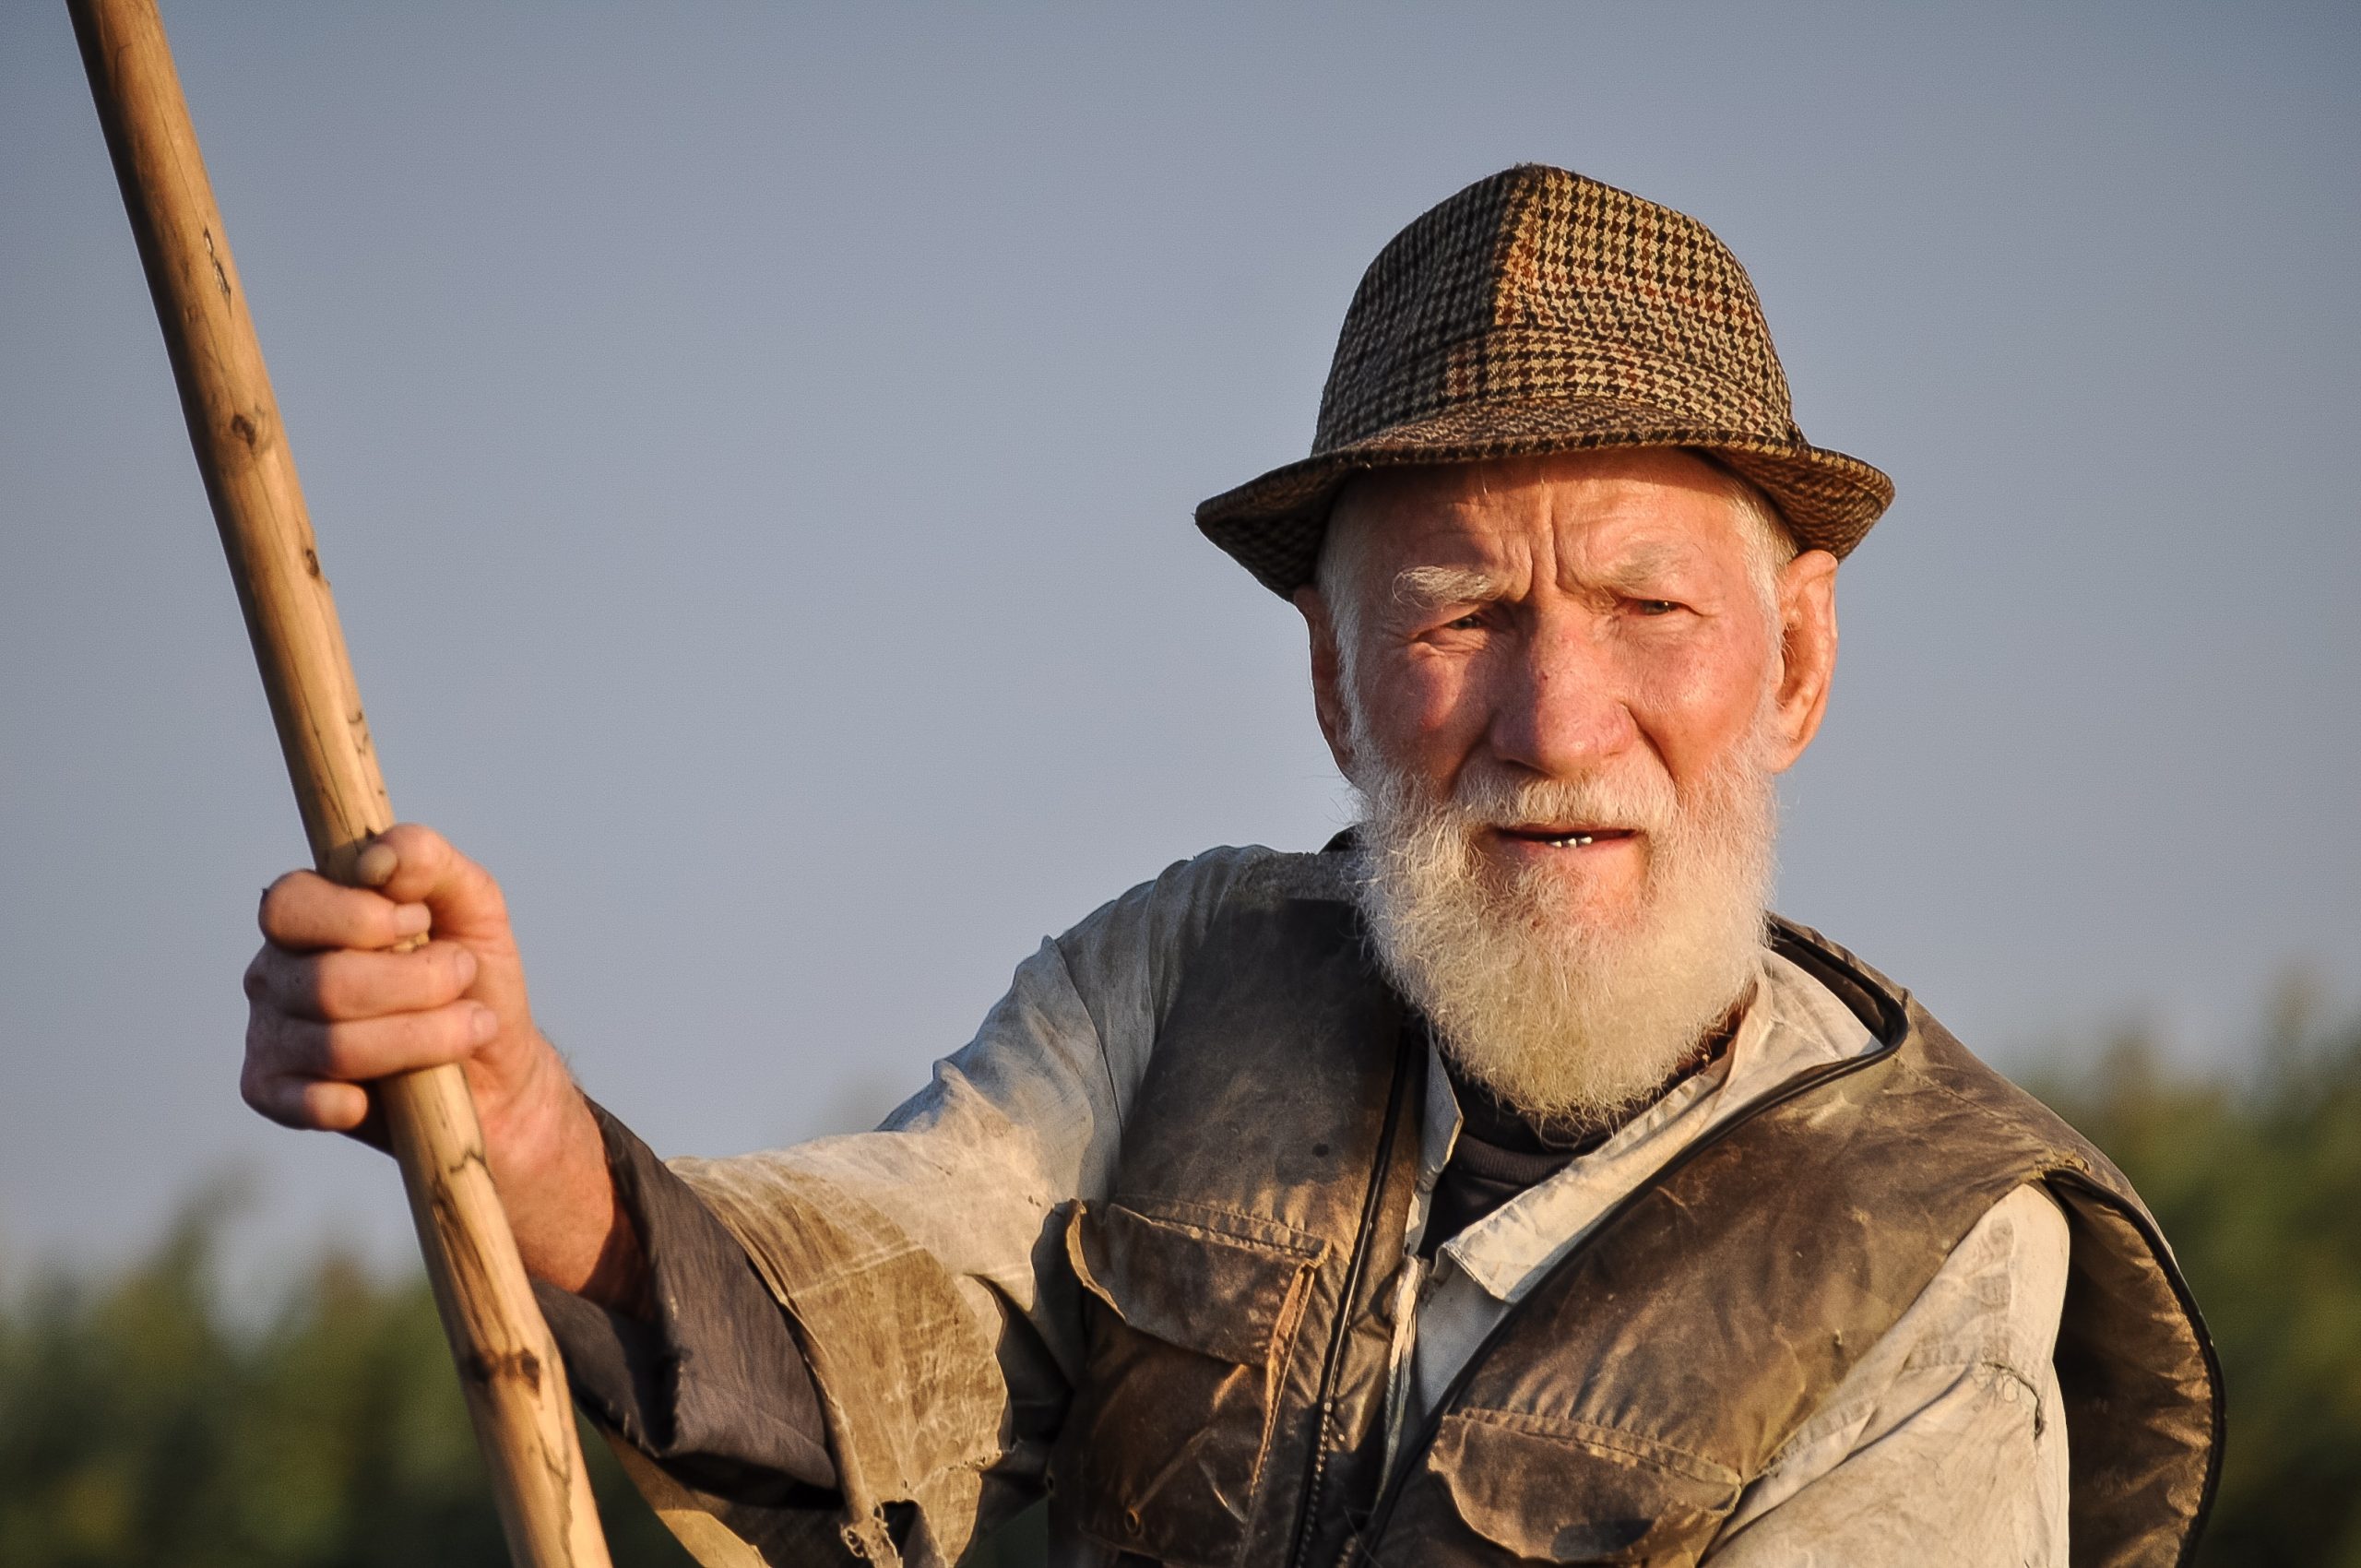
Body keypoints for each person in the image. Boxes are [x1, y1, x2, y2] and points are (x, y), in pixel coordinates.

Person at [238, 166, 2220, 1567]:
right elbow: (875, 1307)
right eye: (1457, 617)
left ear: (1789, 661)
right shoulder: (1184, 981)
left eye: (1642, 604)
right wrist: (521, 1128)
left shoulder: (1941, 1256)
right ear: (1332, 685)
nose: (1552, 720)